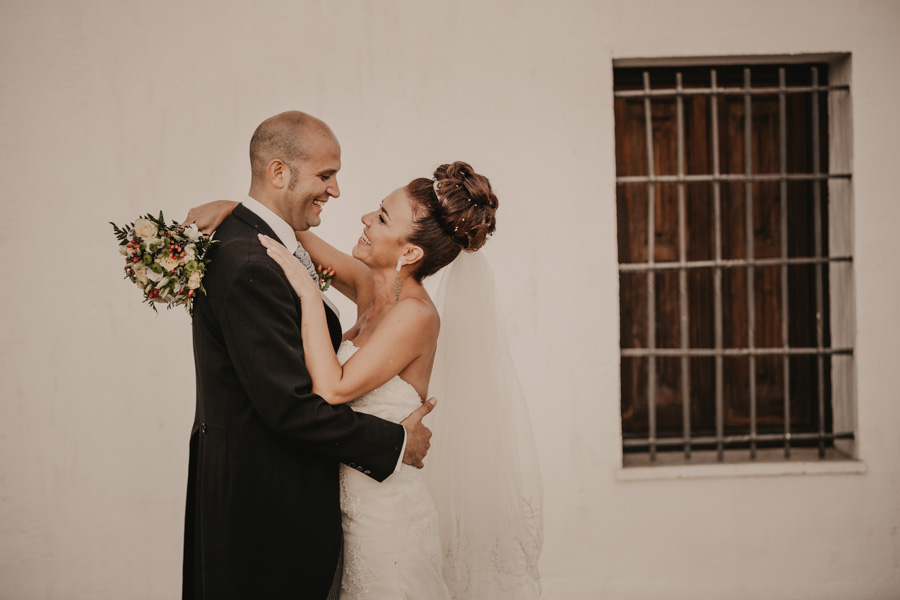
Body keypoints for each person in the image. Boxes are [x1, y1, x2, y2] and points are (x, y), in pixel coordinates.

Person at [191, 160, 543, 598]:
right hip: (340, 511)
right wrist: (233, 208)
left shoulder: (415, 316)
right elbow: (288, 233)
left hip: (385, 517)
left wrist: (306, 293)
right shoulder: (367, 286)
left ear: (409, 252)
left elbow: (333, 389)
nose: (364, 218)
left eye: (381, 218)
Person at [182, 111, 436, 600]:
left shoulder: (404, 307)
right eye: (326, 175)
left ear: (410, 253)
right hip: (262, 498)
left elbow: (292, 235)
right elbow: (293, 405)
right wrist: (396, 443)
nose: (339, 194)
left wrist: (238, 210)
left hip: (332, 502)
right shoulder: (251, 260)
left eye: (382, 217)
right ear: (279, 173)